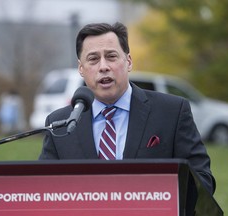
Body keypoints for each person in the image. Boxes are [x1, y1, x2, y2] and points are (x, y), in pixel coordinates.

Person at [39, 22, 215, 214]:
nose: (103, 66)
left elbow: (203, 181)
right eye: (93, 59)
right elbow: (42, 191)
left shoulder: (172, 111)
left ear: (128, 61)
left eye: (111, 57)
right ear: (81, 69)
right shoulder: (61, 124)